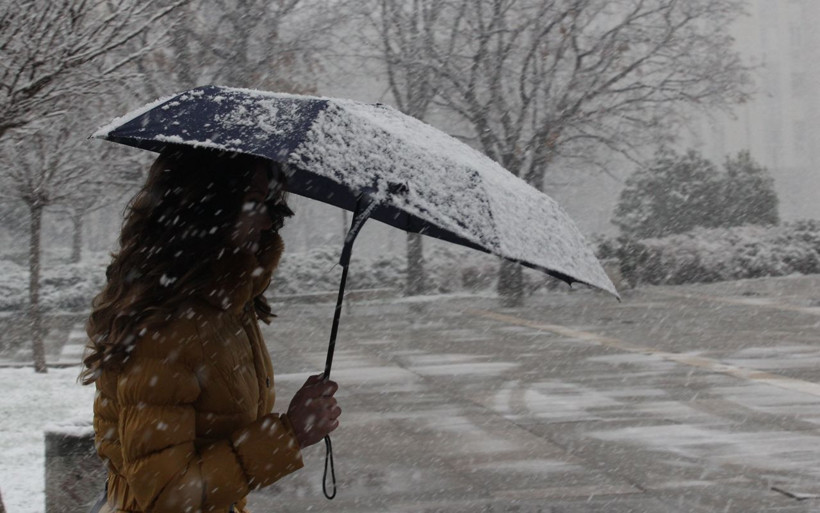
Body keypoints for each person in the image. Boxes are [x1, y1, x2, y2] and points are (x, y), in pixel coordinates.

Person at [80, 146, 341, 513]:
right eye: (254, 202)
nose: (267, 222)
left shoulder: (223, 304)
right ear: (205, 205)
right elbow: (167, 495)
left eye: (269, 204)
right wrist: (289, 435)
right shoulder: (167, 327)